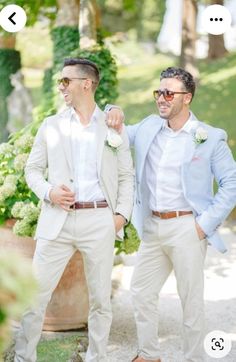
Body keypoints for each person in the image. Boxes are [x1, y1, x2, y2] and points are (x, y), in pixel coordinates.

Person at [107, 67, 236, 362]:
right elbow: (116, 133)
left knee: (190, 300)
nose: (161, 99)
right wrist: (112, 109)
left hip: (187, 227)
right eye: (159, 92)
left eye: (169, 93)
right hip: (153, 226)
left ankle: (193, 358)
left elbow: (232, 183)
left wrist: (204, 225)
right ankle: (149, 354)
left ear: (186, 98)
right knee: (141, 290)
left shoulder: (210, 138)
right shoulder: (149, 127)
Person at [14, 57, 134, 362]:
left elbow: (126, 175)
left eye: (66, 81)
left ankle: (96, 357)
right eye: (60, 81)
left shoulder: (112, 125)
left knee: (99, 302)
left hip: (99, 220)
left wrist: (121, 215)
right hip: (58, 221)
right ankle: (22, 358)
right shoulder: (50, 125)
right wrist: (49, 191)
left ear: (87, 84)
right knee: (35, 296)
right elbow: (32, 170)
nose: (61, 87)